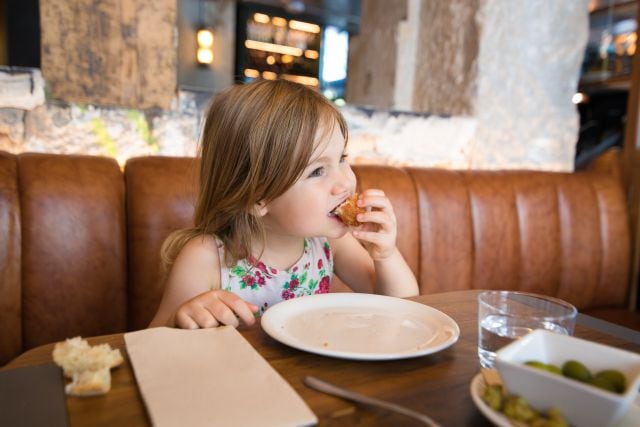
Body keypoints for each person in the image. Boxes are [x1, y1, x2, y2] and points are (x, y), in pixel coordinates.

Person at [149, 79, 418, 329]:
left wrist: (386, 256)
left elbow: (404, 307)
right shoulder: (204, 258)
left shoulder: (328, 242)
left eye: (342, 158)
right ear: (256, 198)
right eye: (317, 171)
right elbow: (152, 347)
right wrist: (182, 319)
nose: (345, 182)